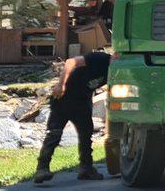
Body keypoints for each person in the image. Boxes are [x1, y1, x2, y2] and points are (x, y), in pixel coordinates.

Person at [35, 50, 112, 184]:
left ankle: (86, 169)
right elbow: (71, 62)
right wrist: (61, 84)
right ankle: (42, 169)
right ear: (115, 55)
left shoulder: (118, 71)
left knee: (86, 135)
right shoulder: (100, 58)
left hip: (82, 101)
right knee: (54, 133)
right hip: (64, 97)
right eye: (117, 57)